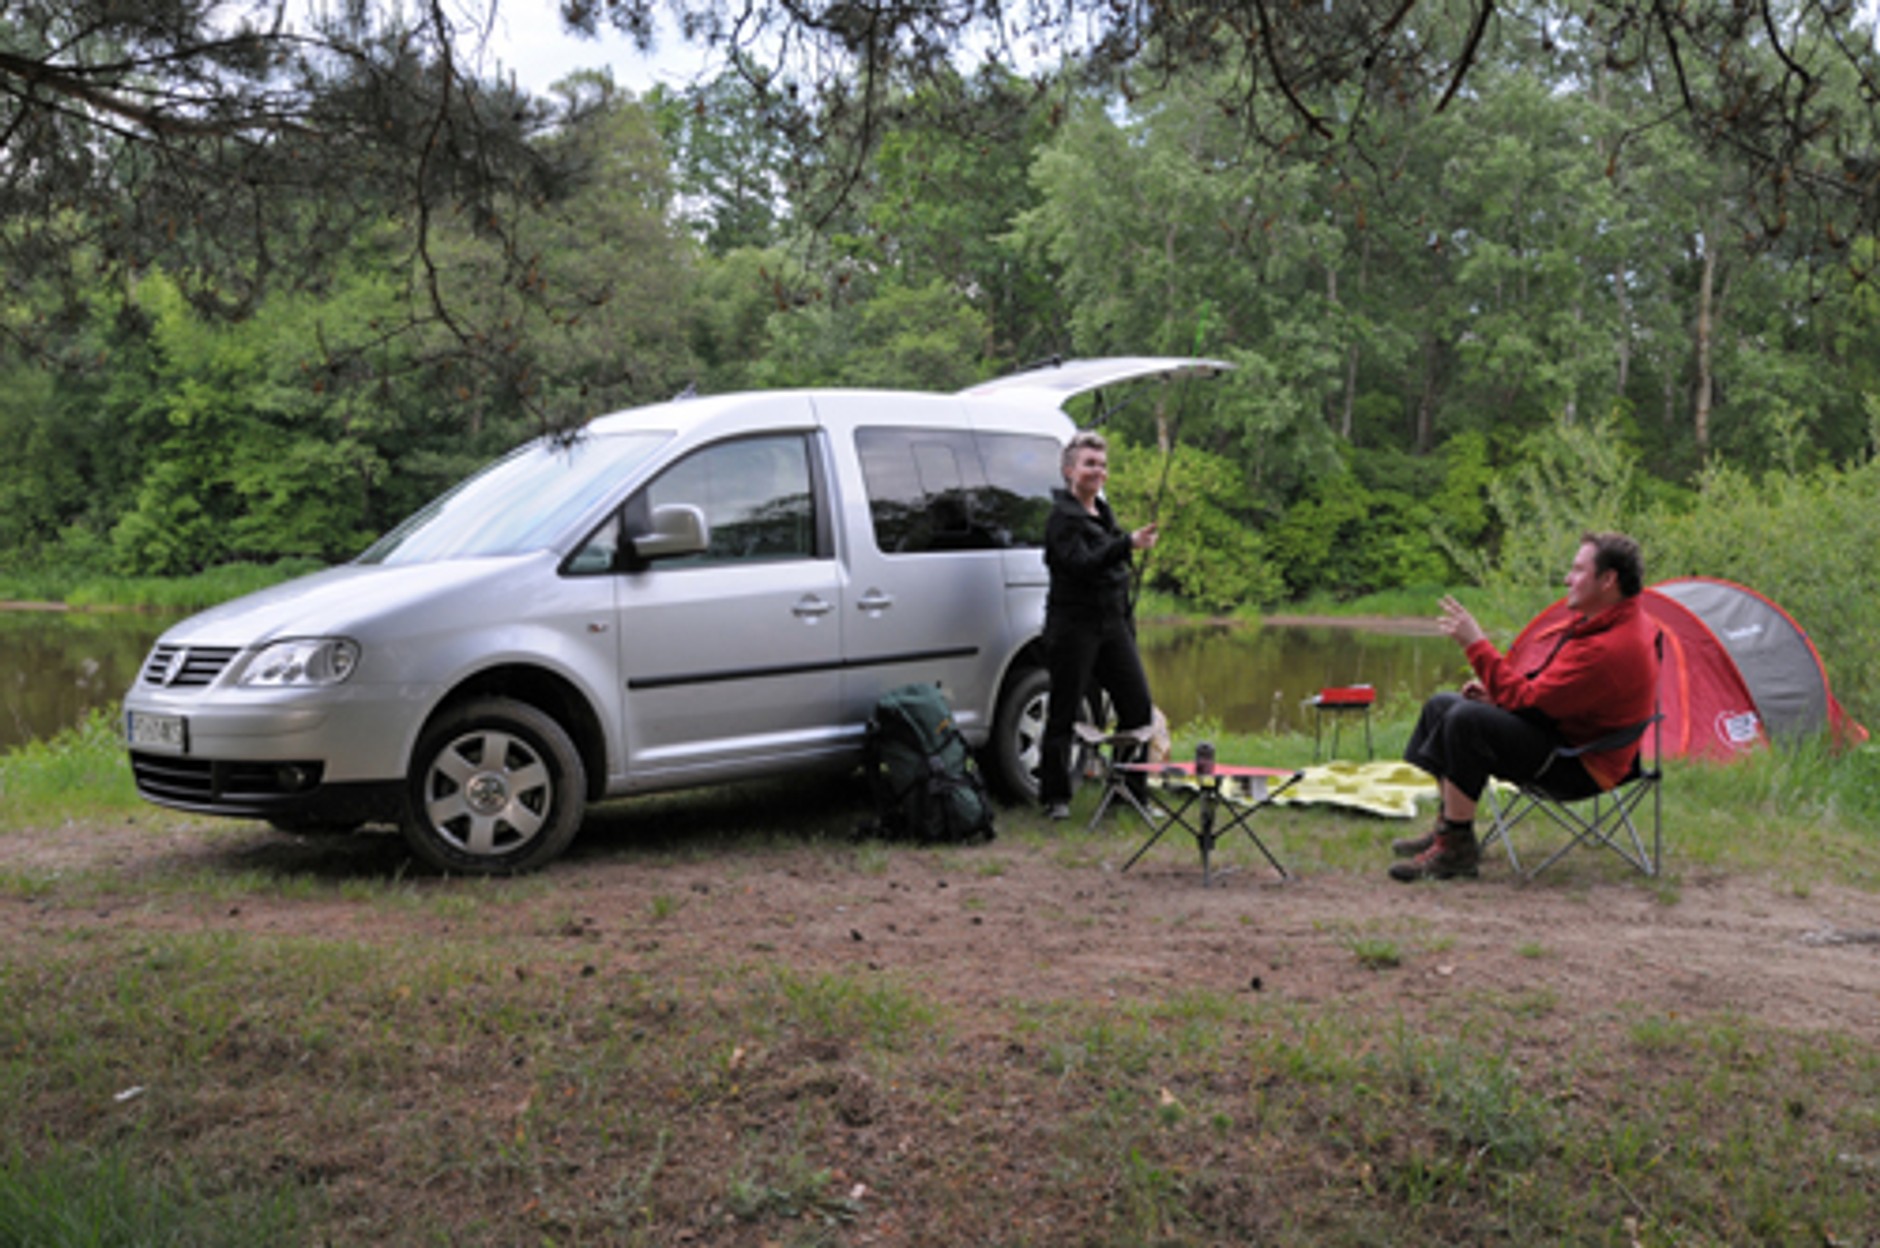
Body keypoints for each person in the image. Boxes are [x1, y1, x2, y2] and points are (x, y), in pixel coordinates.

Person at [1391, 531, 1657, 881]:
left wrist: (1477, 644)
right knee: (1442, 706)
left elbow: (1530, 700)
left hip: (1580, 763)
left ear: (1608, 580)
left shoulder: (1609, 646)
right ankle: (1450, 829)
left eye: (1578, 570)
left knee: (1466, 719)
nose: (1567, 579)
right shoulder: (1609, 623)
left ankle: (1455, 850)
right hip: (1565, 732)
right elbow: (1551, 695)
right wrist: (1497, 697)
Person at [1038, 431, 1159, 820]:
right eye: (1090, 464)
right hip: (1074, 627)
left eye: (1103, 465)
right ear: (1069, 470)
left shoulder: (1102, 514)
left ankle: (1128, 790)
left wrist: (1126, 624)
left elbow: (1111, 570)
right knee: (1064, 711)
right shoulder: (1062, 519)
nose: (1098, 471)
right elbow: (1082, 564)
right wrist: (1126, 545)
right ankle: (1055, 798)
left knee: (1138, 707)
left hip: (1112, 626)